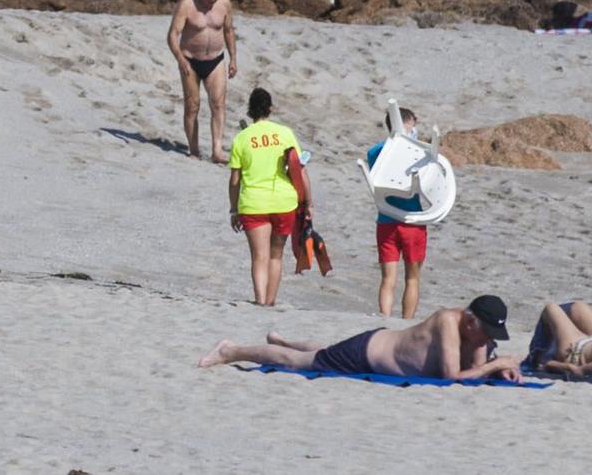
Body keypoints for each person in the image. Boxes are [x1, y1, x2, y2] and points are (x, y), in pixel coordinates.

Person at [198, 295, 520, 380]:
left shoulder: (473, 334)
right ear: (471, 320)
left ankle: (284, 339)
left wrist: (498, 366)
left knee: (322, 352)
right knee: (297, 363)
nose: (487, 341)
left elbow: (477, 366)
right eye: (486, 333)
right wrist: (492, 366)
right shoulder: (448, 322)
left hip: (374, 345)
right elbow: (452, 377)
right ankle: (231, 351)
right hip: (366, 354)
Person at [227, 86, 301, 306]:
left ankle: (259, 300)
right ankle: (270, 301)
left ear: (250, 110)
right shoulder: (285, 133)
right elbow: (297, 166)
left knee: (259, 257)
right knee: (276, 256)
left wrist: (233, 209)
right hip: (283, 200)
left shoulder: (242, 138)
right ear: (270, 108)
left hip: (253, 202)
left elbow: (234, 180)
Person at [167, 0, 238, 162]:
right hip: (190, 61)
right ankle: (194, 149)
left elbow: (229, 31)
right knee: (192, 106)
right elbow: (173, 35)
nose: (212, 0)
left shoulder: (223, 3)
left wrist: (233, 58)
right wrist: (180, 59)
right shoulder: (187, 4)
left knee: (218, 104)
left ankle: (217, 151)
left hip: (215, 60)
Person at [367, 106, 428, 319]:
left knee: (387, 279)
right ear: (405, 125)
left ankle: (385, 319)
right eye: (413, 125)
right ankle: (406, 323)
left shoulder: (374, 152)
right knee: (412, 278)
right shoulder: (417, 152)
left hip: (386, 220)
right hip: (412, 220)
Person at [534, 301, 592, 378]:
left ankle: (538, 357)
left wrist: (552, 364)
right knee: (577, 307)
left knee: (551, 308)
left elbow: (578, 371)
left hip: (575, 351)